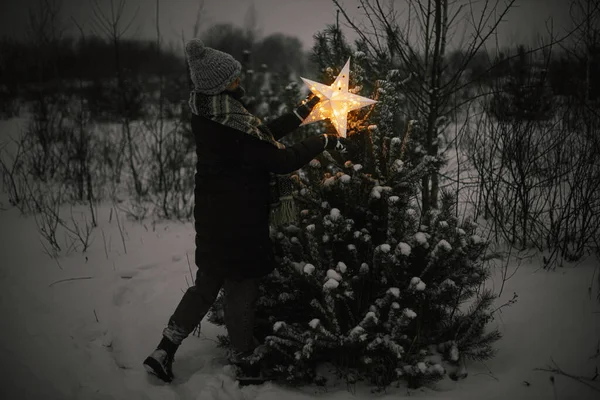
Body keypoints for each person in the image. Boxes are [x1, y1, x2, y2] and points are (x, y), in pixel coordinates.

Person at [143, 39, 350, 384]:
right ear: (221, 84)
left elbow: (261, 134)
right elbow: (279, 160)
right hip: (239, 222)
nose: (240, 82)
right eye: (234, 78)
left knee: (206, 285)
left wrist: (305, 110)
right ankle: (247, 360)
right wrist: (323, 141)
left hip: (213, 218)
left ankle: (165, 348)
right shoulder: (228, 125)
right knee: (242, 290)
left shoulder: (215, 113)